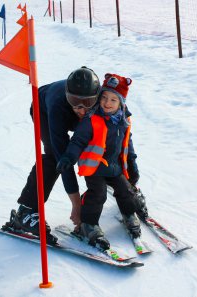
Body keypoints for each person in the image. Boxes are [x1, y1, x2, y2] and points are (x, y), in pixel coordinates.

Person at [11, 66, 101, 237]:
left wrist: (127, 183)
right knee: (55, 158)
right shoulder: (58, 105)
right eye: (75, 101)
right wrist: (76, 205)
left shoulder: (105, 101)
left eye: (88, 103)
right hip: (43, 109)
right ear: (68, 96)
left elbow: (120, 137)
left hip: (70, 112)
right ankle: (26, 210)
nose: (81, 109)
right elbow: (63, 160)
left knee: (101, 143)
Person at [56, 73, 142, 250]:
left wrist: (132, 165)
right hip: (94, 168)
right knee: (98, 194)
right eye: (104, 97)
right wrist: (69, 157)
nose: (107, 103)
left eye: (113, 100)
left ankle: (128, 213)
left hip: (114, 167)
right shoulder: (91, 120)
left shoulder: (123, 121)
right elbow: (78, 141)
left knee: (126, 190)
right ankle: (88, 224)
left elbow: (128, 144)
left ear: (121, 104)